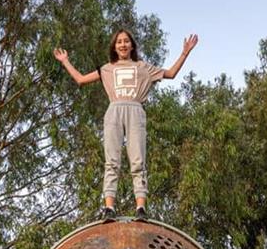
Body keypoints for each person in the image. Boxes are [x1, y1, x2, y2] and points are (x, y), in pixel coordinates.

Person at [54, 29, 198, 220]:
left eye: (126, 41)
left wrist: (185, 53)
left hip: (135, 110)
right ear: (115, 46)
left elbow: (170, 74)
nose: (123, 44)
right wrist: (65, 61)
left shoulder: (143, 67)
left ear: (132, 45)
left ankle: (140, 208)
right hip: (114, 111)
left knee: (138, 161)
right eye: (119, 42)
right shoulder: (107, 68)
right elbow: (81, 80)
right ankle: (109, 208)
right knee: (111, 161)